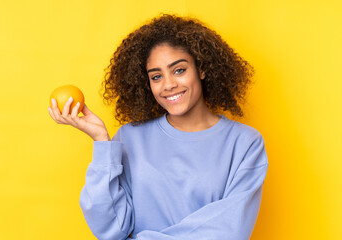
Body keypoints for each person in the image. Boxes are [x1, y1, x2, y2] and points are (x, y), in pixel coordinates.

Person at [48, 14, 268, 240]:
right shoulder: (129, 138)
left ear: (201, 69)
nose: (169, 85)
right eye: (156, 76)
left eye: (179, 70)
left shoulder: (245, 143)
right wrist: (102, 143)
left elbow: (228, 232)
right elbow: (111, 229)